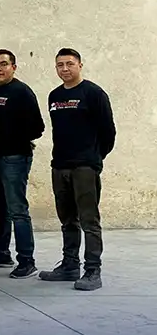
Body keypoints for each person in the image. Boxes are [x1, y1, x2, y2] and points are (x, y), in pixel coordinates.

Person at [40, 48, 116, 291]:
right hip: (59, 166)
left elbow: (108, 132)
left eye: (69, 64)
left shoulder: (94, 94)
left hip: (85, 168)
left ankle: (93, 270)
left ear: (80, 65)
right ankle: (70, 265)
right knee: (67, 220)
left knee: (89, 221)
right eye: (60, 65)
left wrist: (93, 159)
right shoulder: (54, 96)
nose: (65, 69)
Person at [0, 49, 44, 277]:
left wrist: (12, 137)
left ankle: (27, 260)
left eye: (3, 64)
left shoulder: (22, 92)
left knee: (17, 209)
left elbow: (38, 128)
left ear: (13, 67)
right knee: (0, 207)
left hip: (15, 157)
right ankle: (1, 252)